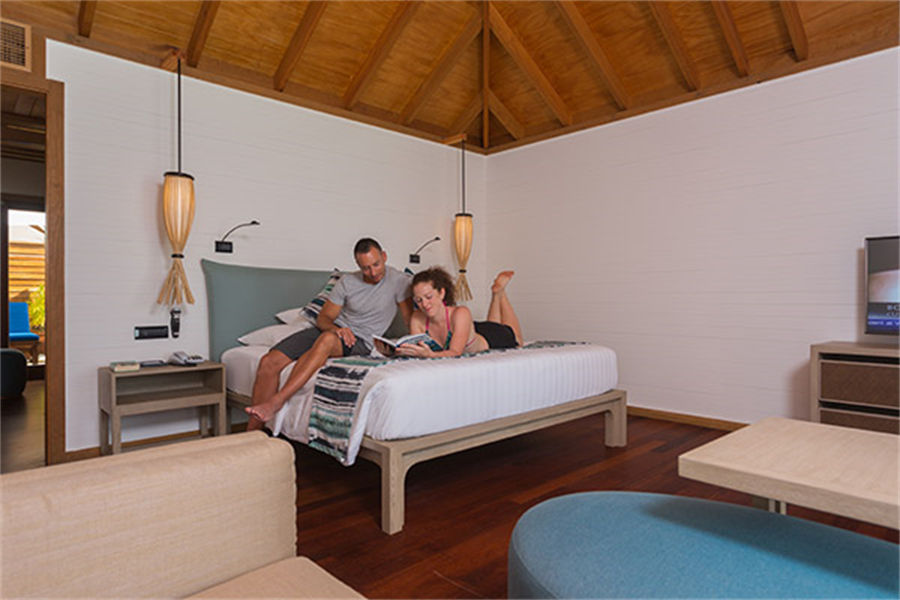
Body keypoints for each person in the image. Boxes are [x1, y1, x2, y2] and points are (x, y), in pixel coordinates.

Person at [245, 238, 412, 429]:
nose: (373, 272)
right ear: (358, 265)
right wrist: (336, 329)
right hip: (333, 331)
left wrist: (419, 344)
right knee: (268, 362)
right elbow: (324, 318)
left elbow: (410, 320)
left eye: (376, 264)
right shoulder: (347, 282)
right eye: (366, 268)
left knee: (325, 341)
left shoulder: (399, 281)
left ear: (384, 256)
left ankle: (277, 402)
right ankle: (252, 436)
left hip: (360, 341)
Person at [396, 267, 522, 358]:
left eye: (429, 297)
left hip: (492, 338)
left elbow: (455, 352)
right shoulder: (417, 318)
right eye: (419, 300)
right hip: (468, 329)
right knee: (492, 323)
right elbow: (417, 350)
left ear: (441, 293)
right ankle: (496, 294)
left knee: (517, 338)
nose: (424, 304)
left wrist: (430, 355)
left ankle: (500, 293)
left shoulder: (461, 312)